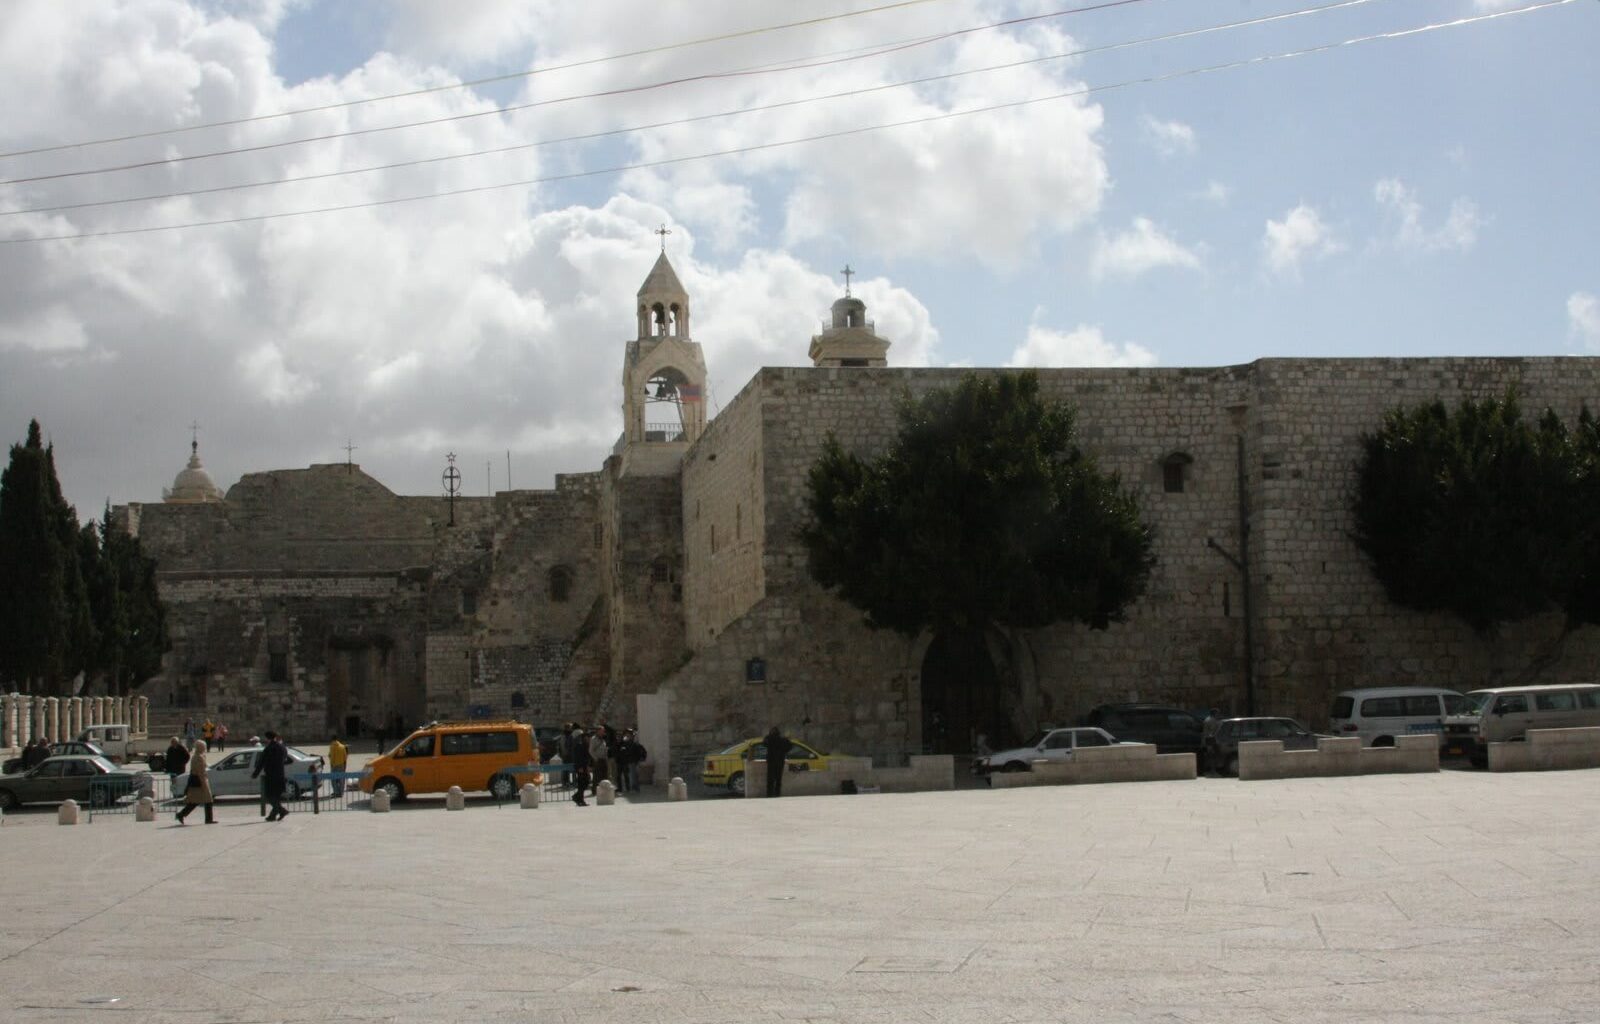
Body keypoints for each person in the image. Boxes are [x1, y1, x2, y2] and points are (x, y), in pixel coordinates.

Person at [252, 730, 292, 821]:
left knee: (269, 796)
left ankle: (282, 811)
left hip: (271, 775)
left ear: (267, 738)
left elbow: (261, 762)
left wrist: (255, 774)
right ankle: (272, 816)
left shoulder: (269, 748)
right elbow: (286, 759)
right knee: (276, 797)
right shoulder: (282, 747)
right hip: (280, 774)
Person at [175, 739, 215, 824]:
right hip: (200, 781)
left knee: (196, 801)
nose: (205, 748)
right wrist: (204, 784)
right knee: (207, 800)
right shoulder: (198, 757)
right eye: (204, 747)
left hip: (198, 781)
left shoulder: (198, 756)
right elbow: (200, 772)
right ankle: (208, 819)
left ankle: (181, 814)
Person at [764, 725, 793, 798]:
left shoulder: (769, 739)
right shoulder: (783, 740)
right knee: (778, 779)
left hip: (771, 761)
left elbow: (764, 742)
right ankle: (777, 793)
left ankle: (769, 794)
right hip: (780, 761)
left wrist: (768, 735)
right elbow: (790, 746)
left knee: (770, 779)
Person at [617, 729, 646, 794]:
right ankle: (633, 788)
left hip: (632, 761)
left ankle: (634, 788)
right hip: (627, 762)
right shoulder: (625, 743)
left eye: (629, 735)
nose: (627, 736)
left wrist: (641, 758)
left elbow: (642, 751)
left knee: (633, 775)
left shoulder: (634, 744)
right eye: (626, 735)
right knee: (631, 775)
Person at [570, 728, 591, 807]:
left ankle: (577, 797)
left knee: (585, 783)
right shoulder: (578, 745)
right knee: (582, 783)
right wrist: (579, 767)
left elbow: (587, 757)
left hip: (584, 766)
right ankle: (579, 799)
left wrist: (588, 766)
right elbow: (577, 758)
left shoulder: (585, 745)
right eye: (584, 737)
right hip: (581, 767)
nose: (586, 738)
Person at [587, 725, 609, 796]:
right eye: (602, 731)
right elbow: (591, 750)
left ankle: (604, 790)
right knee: (596, 776)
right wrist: (596, 758)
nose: (603, 732)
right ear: (598, 731)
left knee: (604, 776)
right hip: (598, 760)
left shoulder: (603, 739)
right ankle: (594, 791)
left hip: (604, 759)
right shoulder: (594, 739)